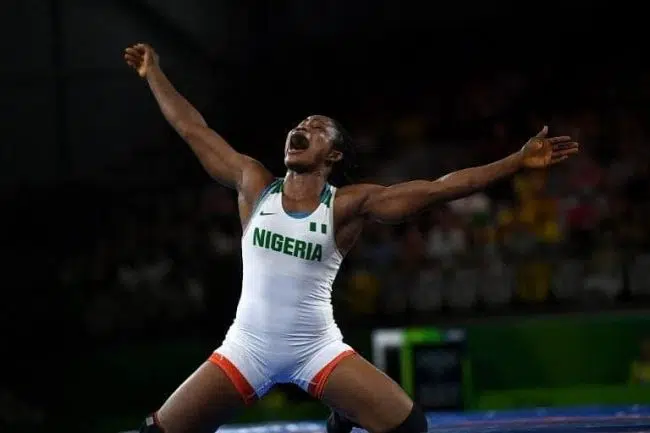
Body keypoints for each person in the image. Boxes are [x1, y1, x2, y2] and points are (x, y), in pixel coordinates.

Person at [123, 43, 579, 433]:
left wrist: (515, 161)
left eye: (317, 127)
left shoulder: (345, 205)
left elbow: (438, 189)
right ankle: (342, 411)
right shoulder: (254, 184)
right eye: (301, 123)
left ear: (334, 154)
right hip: (246, 347)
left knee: (411, 427)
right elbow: (193, 129)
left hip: (316, 349)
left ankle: (342, 413)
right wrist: (154, 73)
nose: (303, 128)